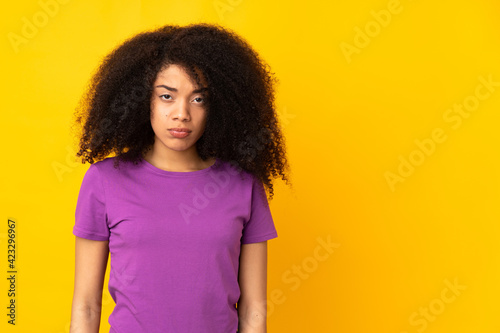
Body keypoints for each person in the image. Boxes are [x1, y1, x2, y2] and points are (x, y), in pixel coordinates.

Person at [69, 22, 291, 333]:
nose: (182, 113)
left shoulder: (242, 184)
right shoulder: (105, 181)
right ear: (143, 100)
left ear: (219, 106)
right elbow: (86, 305)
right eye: (167, 97)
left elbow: (254, 308)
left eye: (198, 99)